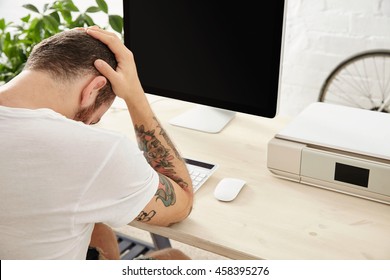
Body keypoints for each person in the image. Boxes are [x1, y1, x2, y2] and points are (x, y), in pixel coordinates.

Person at [0, 27, 193, 260]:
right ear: (94, 88)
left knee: (99, 231)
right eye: (94, 120)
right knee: (174, 258)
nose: (88, 126)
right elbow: (181, 202)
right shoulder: (98, 152)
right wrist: (134, 94)